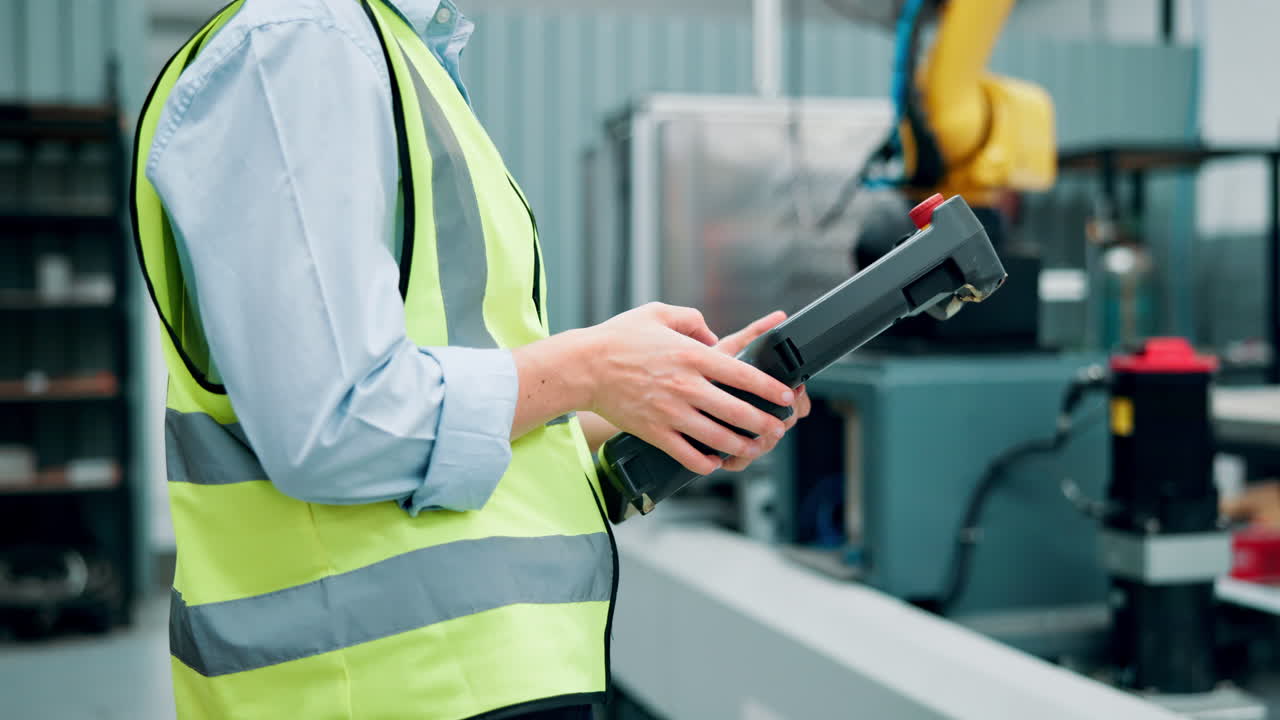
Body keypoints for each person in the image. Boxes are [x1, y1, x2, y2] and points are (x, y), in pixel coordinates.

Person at [131, 1, 810, 718]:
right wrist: (592, 367)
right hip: (376, 690)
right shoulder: (299, 43)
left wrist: (658, 405)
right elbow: (330, 423)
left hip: (462, 681)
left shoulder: (393, 53)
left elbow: (445, 436)